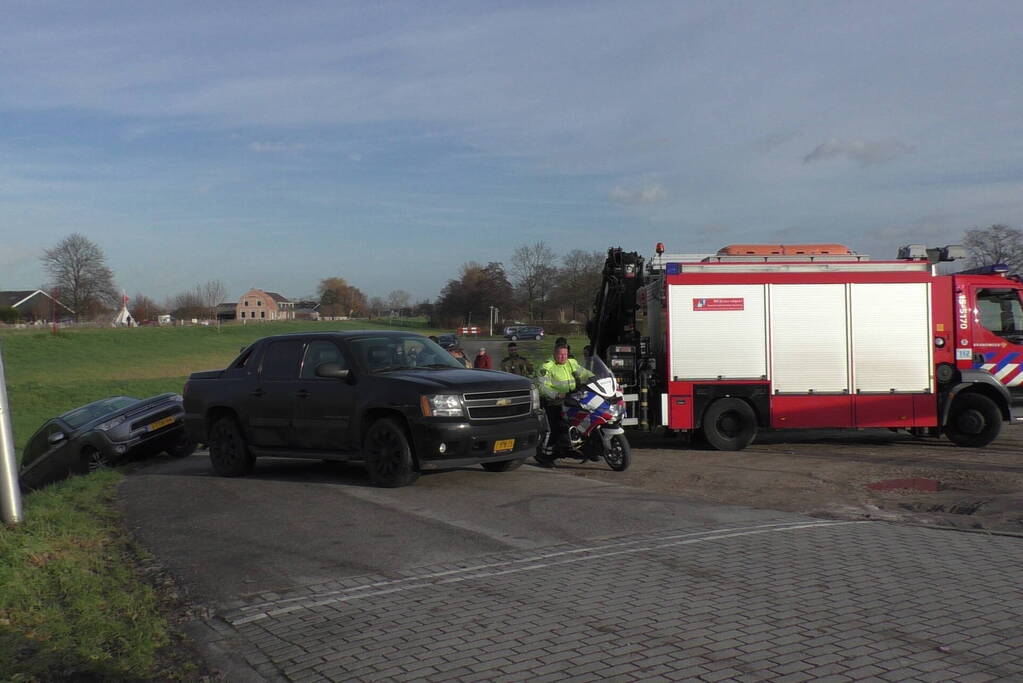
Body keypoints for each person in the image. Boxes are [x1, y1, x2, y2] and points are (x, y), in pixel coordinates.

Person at [534, 343, 594, 467]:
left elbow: (585, 373)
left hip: (571, 399)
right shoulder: (546, 367)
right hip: (553, 401)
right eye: (560, 354)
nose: (563, 357)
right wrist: (556, 394)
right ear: (554, 354)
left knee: (580, 422)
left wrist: (596, 378)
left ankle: (572, 448)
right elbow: (542, 386)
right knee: (554, 428)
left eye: (565, 354)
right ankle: (545, 455)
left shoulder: (571, 363)